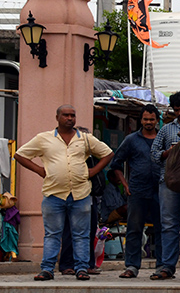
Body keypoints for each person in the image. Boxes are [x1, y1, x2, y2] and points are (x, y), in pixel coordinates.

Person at [14, 104, 112, 281]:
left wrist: (94, 170)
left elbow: (107, 153)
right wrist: (39, 170)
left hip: (80, 194)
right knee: (52, 234)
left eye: (72, 115)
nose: (70, 118)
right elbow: (20, 155)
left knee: (81, 234)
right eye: (66, 115)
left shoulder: (85, 139)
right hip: (53, 194)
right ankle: (47, 269)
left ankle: (81, 268)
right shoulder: (43, 138)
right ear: (57, 117)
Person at [109, 103, 162, 278]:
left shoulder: (162, 139)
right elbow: (116, 163)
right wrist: (125, 184)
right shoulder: (131, 140)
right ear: (141, 120)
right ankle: (132, 266)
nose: (148, 122)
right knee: (134, 228)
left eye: (152, 119)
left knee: (162, 228)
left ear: (156, 120)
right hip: (137, 190)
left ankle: (162, 266)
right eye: (145, 119)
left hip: (160, 191)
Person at [150, 91, 180, 281]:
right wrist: (169, 153)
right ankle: (167, 266)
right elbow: (154, 154)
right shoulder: (166, 129)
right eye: (176, 110)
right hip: (169, 181)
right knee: (169, 224)